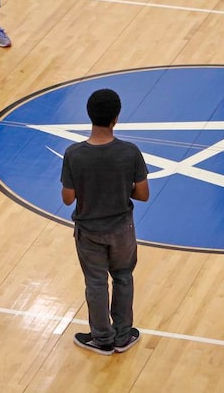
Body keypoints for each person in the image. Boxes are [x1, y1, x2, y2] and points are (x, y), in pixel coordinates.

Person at [61, 88, 148, 355]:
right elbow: (142, 194)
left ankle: (101, 339)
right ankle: (123, 336)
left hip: (89, 232)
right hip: (122, 230)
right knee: (123, 277)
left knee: (96, 282)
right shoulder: (130, 152)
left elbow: (67, 199)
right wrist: (121, 189)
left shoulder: (74, 154)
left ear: (89, 115)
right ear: (116, 118)